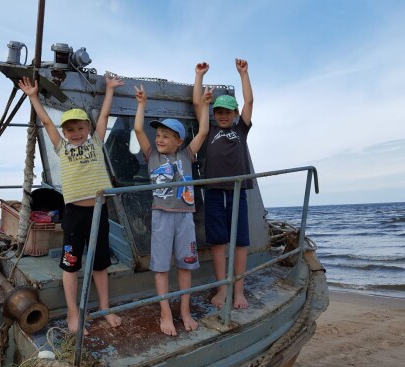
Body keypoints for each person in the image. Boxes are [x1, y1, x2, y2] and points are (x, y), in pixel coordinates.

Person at [18, 72, 124, 335]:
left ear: (88, 128)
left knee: (100, 263)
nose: (75, 133)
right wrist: (33, 97)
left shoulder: (97, 141)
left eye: (80, 128)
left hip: (99, 211)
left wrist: (109, 90)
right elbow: (46, 122)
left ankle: (104, 308)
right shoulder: (62, 148)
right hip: (74, 213)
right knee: (71, 263)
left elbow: (105, 116)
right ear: (64, 132)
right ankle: (73, 314)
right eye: (70, 130)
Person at [133, 83, 213, 335]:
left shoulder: (187, 155)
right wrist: (142, 104)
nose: (159, 139)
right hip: (161, 216)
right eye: (158, 135)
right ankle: (165, 313)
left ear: (179, 141)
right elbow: (137, 128)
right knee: (161, 268)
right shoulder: (152, 156)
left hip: (185, 218)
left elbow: (203, 131)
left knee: (186, 265)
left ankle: (185, 311)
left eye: (166, 136)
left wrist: (206, 106)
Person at [193, 59, 254, 310]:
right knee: (218, 243)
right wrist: (199, 76)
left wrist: (243, 74)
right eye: (219, 112)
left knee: (239, 243)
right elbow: (198, 103)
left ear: (235, 114)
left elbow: (249, 101)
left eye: (227, 112)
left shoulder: (241, 130)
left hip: (238, 192)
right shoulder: (208, 131)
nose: (223, 116)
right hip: (215, 193)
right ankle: (222, 289)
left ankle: (238, 291)